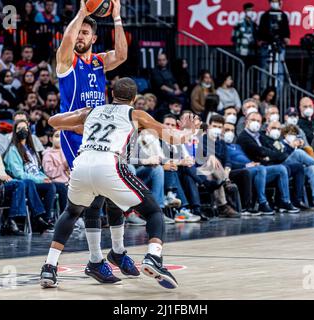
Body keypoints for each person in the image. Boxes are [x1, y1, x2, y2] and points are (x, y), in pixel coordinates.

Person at [40, 77, 200, 289]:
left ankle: (49, 267)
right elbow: (174, 137)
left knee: (71, 212)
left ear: (111, 94)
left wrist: (82, 122)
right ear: (134, 98)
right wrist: (189, 130)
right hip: (109, 164)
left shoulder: (92, 111)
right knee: (153, 212)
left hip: (81, 164)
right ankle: (153, 257)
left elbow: (54, 121)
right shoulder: (136, 114)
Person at [55, 0, 132, 283]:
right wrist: (81, 13)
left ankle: (114, 253)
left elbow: (122, 54)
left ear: (94, 38)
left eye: (85, 33)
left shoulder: (99, 61)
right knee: (92, 201)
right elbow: (66, 39)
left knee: (109, 197)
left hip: (100, 137)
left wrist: (118, 17)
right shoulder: (66, 62)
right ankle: (97, 259)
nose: (80, 37)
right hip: (75, 136)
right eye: (78, 33)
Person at [0, 126, 48, 235]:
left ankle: (37, 216)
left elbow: (2, 173)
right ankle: (11, 220)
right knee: (19, 184)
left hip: (1, 185)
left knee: (28, 182)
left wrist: (7, 178)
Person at [237, 111, 299, 213]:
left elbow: (271, 151)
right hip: (250, 169)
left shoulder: (259, 136)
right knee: (279, 168)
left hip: (263, 166)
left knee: (283, 168)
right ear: (246, 122)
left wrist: (267, 156)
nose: (255, 123)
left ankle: (285, 201)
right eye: (253, 120)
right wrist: (266, 156)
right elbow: (260, 151)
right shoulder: (244, 137)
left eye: (258, 121)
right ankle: (263, 203)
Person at [3, 120, 57, 229]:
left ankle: (50, 219)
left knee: (56, 186)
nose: (23, 131)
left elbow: (37, 170)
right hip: (23, 182)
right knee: (39, 184)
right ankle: (40, 217)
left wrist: (44, 178)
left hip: (34, 180)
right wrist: (40, 180)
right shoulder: (13, 150)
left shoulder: (31, 150)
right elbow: (19, 174)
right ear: (15, 132)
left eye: (25, 128)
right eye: (19, 129)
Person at [258, 0, 290, 87]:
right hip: (266, 46)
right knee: (264, 70)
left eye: (276, 1)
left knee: (279, 70)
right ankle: (264, 91)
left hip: (279, 46)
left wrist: (286, 39)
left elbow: (286, 33)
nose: (274, 3)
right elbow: (261, 32)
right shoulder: (265, 16)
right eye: (272, 1)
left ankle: (278, 94)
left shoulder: (283, 15)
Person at [42, 130, 69, 211]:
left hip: (69, 181)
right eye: (57, 136)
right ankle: (65, 216)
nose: (59, 139)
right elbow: (49, 173)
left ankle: (85, 217)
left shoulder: (66, 152)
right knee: (64, 188)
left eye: (61, 136)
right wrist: (64, 165)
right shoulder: (47, 154)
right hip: (56, 182)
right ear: (51, 139)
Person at [232, 2, 257, 67]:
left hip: (251, 53)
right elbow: (233, 37)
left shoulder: (254, 24)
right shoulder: (239, 23)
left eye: (252, 10)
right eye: (248, 10)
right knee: (240, 70)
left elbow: (256, 38)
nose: (250, 12)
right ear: (245, 11)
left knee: (250, 70)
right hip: (241, 52)